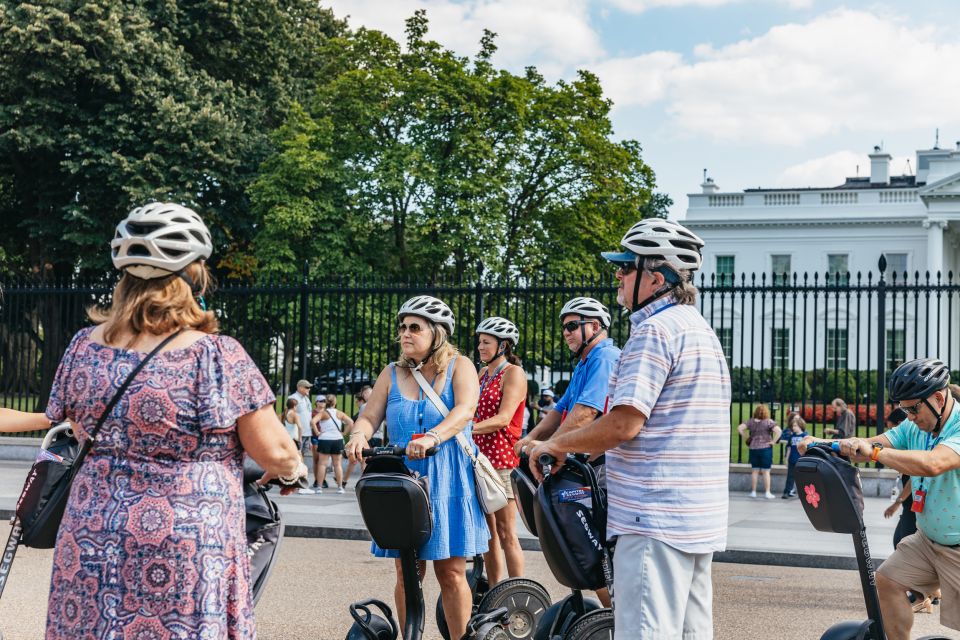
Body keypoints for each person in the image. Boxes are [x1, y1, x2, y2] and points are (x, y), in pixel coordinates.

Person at [42, 202, 305, 639]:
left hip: (91, 533)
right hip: (184, 539)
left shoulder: (82, 347)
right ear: (194, 276)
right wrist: (293, 470)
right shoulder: (215, 355)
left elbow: (72, 421)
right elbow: (274, 451)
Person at [530, 218, 730, 640]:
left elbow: (624, 423)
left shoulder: (653, 331)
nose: (617, 275)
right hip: (696, 515)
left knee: (644, 632)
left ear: (655, 278)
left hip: (651, 514)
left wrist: (558, 445)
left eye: (625, 266)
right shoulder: (700, 330)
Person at [345, 295, 488, 640]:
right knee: (407, 570)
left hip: (447, 479)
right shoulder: (392, 373)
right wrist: (358, 435)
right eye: (403, 327)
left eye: (414, 328)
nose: (405, 334)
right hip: (404, 480)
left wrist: (433, 437)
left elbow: (465, 410)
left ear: (437, 333)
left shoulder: (460, 365)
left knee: (451, 571)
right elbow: (369, 415)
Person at [801, 358, 960, 640]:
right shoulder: (915, 428)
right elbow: (872, 443)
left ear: (938, 397)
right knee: (886, 582)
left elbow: (933, 463)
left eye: (913, 408)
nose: (909, 417)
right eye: (903, 409)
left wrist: (873, 453)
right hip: (926, 541)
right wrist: (823, 444)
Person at [516, 297, 620, 457]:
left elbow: (587, 411)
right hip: (583, 455)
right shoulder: (584, 363)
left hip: (603, 461)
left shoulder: (605, 357)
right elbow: (560, 409)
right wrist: (530, 437)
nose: (565, 332)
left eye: (572, 326)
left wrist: (552, 445)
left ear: (594, 326)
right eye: (564, 327)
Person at [473, 316, 526, 585]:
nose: (480, 347)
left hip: (503, 460)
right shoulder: (482, 374)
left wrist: (465, 429)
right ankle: (496, 591)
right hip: (480, 459)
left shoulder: (513, 373)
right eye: (480, 341)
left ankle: (518, 591)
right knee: (489, 533)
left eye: (486, 342)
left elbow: (504, 418)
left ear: (503, 345)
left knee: (506, 532)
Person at [309, 395, 353, 494]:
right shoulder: (339, 413)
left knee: (322, 464)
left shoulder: (323, 413)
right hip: (337, 439)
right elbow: (351, 422)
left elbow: (312, 421)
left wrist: (317, 432)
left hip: (325, 439)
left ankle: (319, 487)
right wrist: (344, 433)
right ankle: (340, 487)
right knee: (337, 464)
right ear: (334, 403)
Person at [737, 404, 781, 499]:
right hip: (765, 449)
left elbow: (740, 428)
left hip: (753, 448)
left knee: (755, 471)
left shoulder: (750, 422)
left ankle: (753, 492)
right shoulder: (769, 422)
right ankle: (767, 492)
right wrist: (773, 441)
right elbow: (779, 431)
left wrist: (747, 437)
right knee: (766, 472)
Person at [779, 415, 808, 498]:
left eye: (795, 426)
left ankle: (805, 493)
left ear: (800, 425)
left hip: (801, 461)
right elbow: (789, 448)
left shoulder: (805, 436)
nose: (793, 427)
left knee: (802, 478)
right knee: (790, 477)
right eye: (792, 426)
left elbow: (807, 449)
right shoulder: (792, 436)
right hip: (792, 460)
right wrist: (786, 459)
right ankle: (786, 492)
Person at [288, 378, 314, 464]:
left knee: (302, 454)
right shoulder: (293, 398)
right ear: (299, 387)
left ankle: (300, 472)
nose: (309, 389)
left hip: (307, 432)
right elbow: (290, 415)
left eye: (309, 387)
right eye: (306, 387)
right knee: (295, 454)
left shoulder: (306, 398)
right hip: (298, 433)